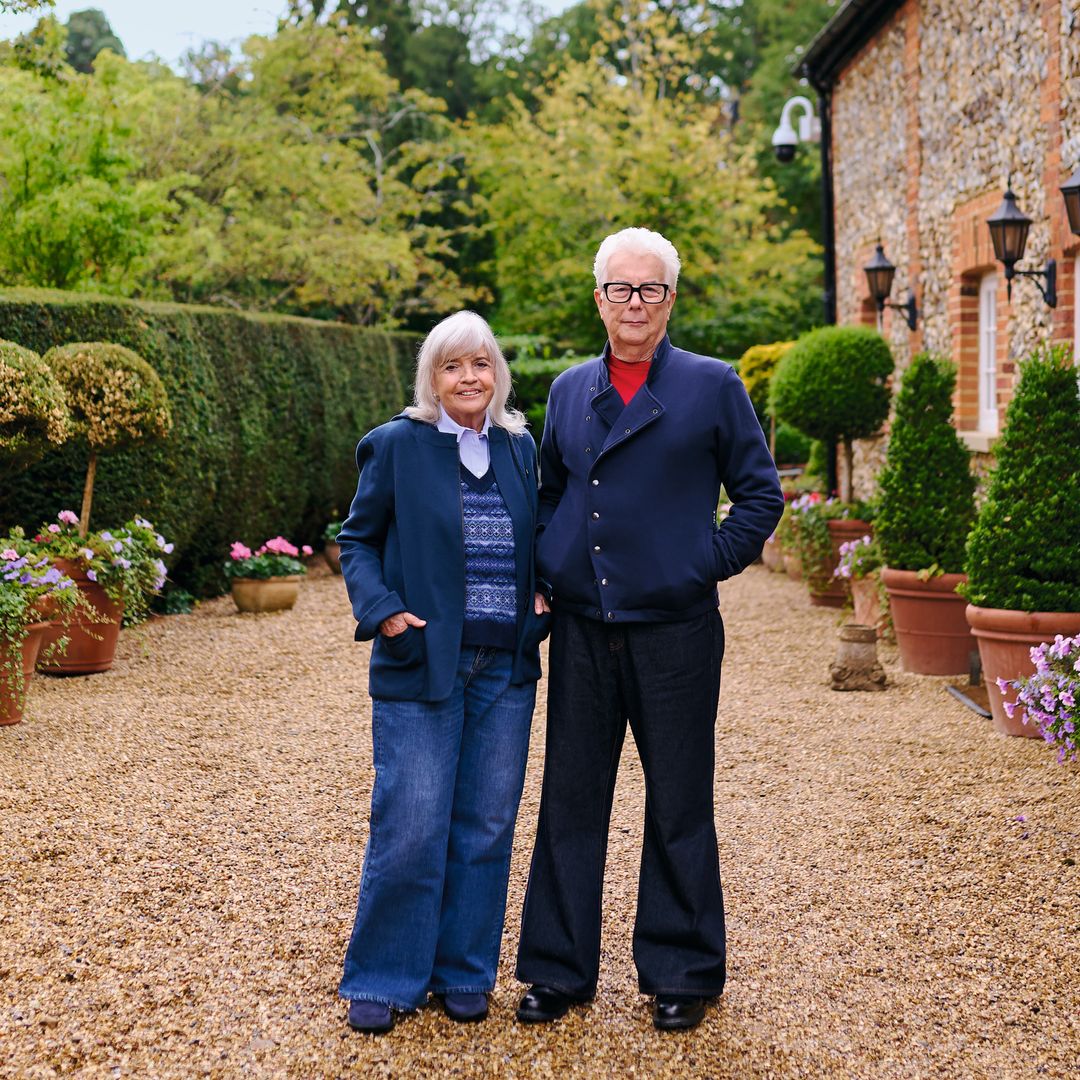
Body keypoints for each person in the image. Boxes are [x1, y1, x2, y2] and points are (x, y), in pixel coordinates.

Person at [514, 227, 784, 1032]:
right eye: (621, 289)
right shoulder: (567, 389)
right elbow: (553, 492)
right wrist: (552, 567)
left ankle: (683, 972)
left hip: (677, 630)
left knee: (678, 802)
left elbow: (759, 495)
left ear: (670, 300)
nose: (635, 304)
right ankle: (559, 971)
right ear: (597, 297)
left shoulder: (712, 385)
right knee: (569, 797)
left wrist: (702, 561)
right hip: (586, 628)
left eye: (651, 290)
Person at [337, 310, 550, 1034]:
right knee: (411, 824)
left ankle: (464, 972)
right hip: (422, 659)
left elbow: (538, 535)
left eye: (481, 364)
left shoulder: (520, 448)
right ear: (432, 378)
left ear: (498, 375)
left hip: (506, 666)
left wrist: (543, 591)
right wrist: (385, 610)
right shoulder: (397, 444)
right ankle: (387, 976)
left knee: (486, 825)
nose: (469, 378)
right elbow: (357, 539)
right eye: (453, 366)